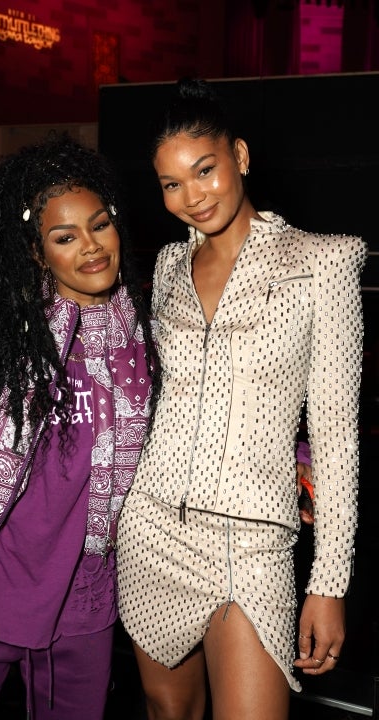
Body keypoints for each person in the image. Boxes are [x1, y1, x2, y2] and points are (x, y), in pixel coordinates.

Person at [115, 77, 367, 720]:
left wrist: (329, 582)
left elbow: (336, 435)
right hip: (151, 529)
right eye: (172, 184)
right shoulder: (167, 268)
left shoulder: (322, 263)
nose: (192, 196)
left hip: (251, 546)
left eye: (205, 170)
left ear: (241, 156)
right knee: (168, 713)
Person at [0, 132, 161, 720]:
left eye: (100, 225)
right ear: (39, 253)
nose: (91, 247)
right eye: (65, 237)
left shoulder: (143, 340)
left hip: (81, 605)